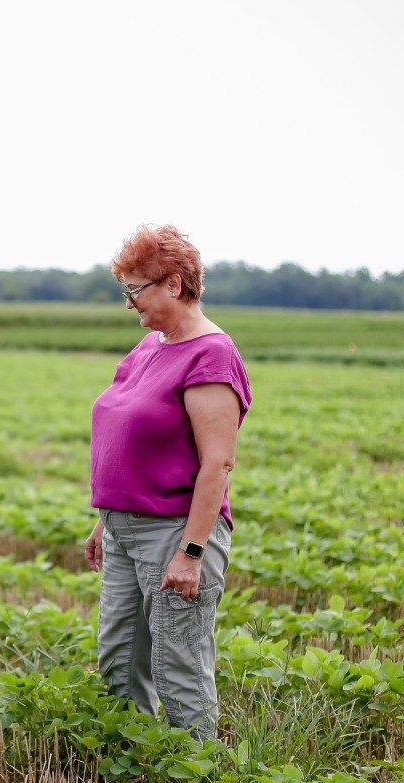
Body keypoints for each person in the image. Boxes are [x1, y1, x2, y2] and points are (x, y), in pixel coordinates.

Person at [84, 224, 252, 741]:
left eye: (136, 290)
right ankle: (138, 778)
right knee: (118, 662)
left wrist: (193, 551)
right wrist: (104, 521)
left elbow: (217, 463)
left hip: (173, 532)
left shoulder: (212, 355)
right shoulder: (149, 347)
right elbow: (125, 441)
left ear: (174, 284)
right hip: (123, 529)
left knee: (178, 667)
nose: (130, 304)